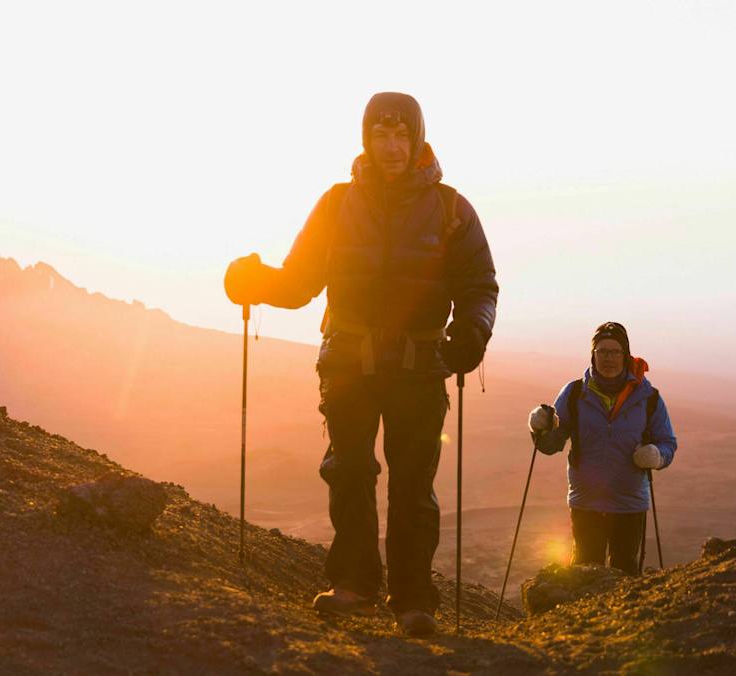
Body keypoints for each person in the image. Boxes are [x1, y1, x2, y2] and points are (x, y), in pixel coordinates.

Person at [223, 92, 498, 637]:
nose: (391, 148)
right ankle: (354, 585)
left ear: (417, 138)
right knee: (348, 473)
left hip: (420, 365)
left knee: (412, 485)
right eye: (380, 136)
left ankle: (414, 599)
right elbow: (300, 282)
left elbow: (478, 286)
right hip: (347, 362)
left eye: (401, 136)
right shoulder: (335, 203)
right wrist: (256, 281)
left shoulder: (452, 208)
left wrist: (473, 332)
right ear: (365, 140)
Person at [527, 322, 676, 575]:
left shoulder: (648, 398)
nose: (608, 358)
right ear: (593, 356)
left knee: (626, 572)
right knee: (584, 571)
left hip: (629, 504)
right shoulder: (574, 394)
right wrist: (538, 428)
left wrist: (656, 456)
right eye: (602, 351)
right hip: (586, 503)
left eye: (615, 352)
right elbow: (551, 445)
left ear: (626, 356)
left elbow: (668, 444)